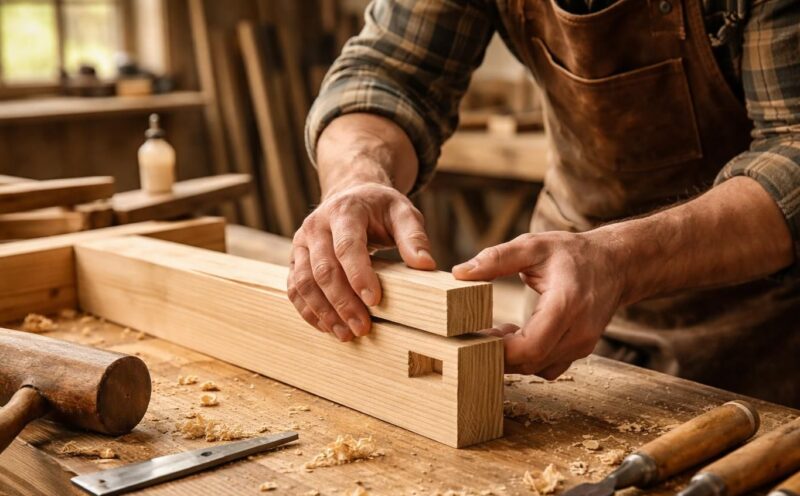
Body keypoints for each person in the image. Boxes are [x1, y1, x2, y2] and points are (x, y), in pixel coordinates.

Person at [289, 0, 800, 406]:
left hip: (757, 320)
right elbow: (388, 72)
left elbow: (794, 151)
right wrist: (356, 179)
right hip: (565, 290)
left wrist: (619, 259)